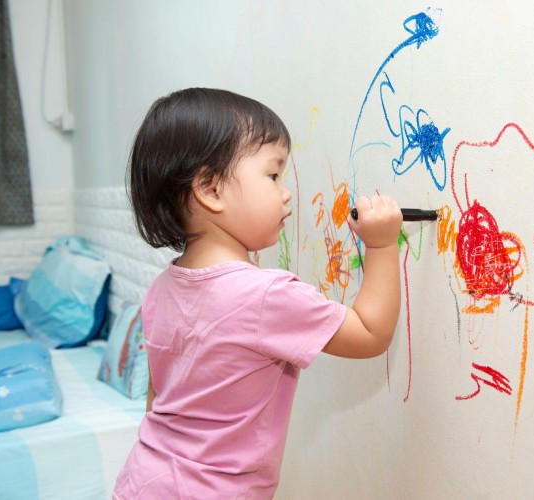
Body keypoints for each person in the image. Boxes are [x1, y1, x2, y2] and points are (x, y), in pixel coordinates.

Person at [113, 88, 403, 499]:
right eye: (272, 175)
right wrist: (381, 245)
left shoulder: (162, 287)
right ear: (210, 189)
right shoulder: (265, 294)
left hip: (143, 480)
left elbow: (159, 395)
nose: (285, 192)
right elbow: (371, 333)